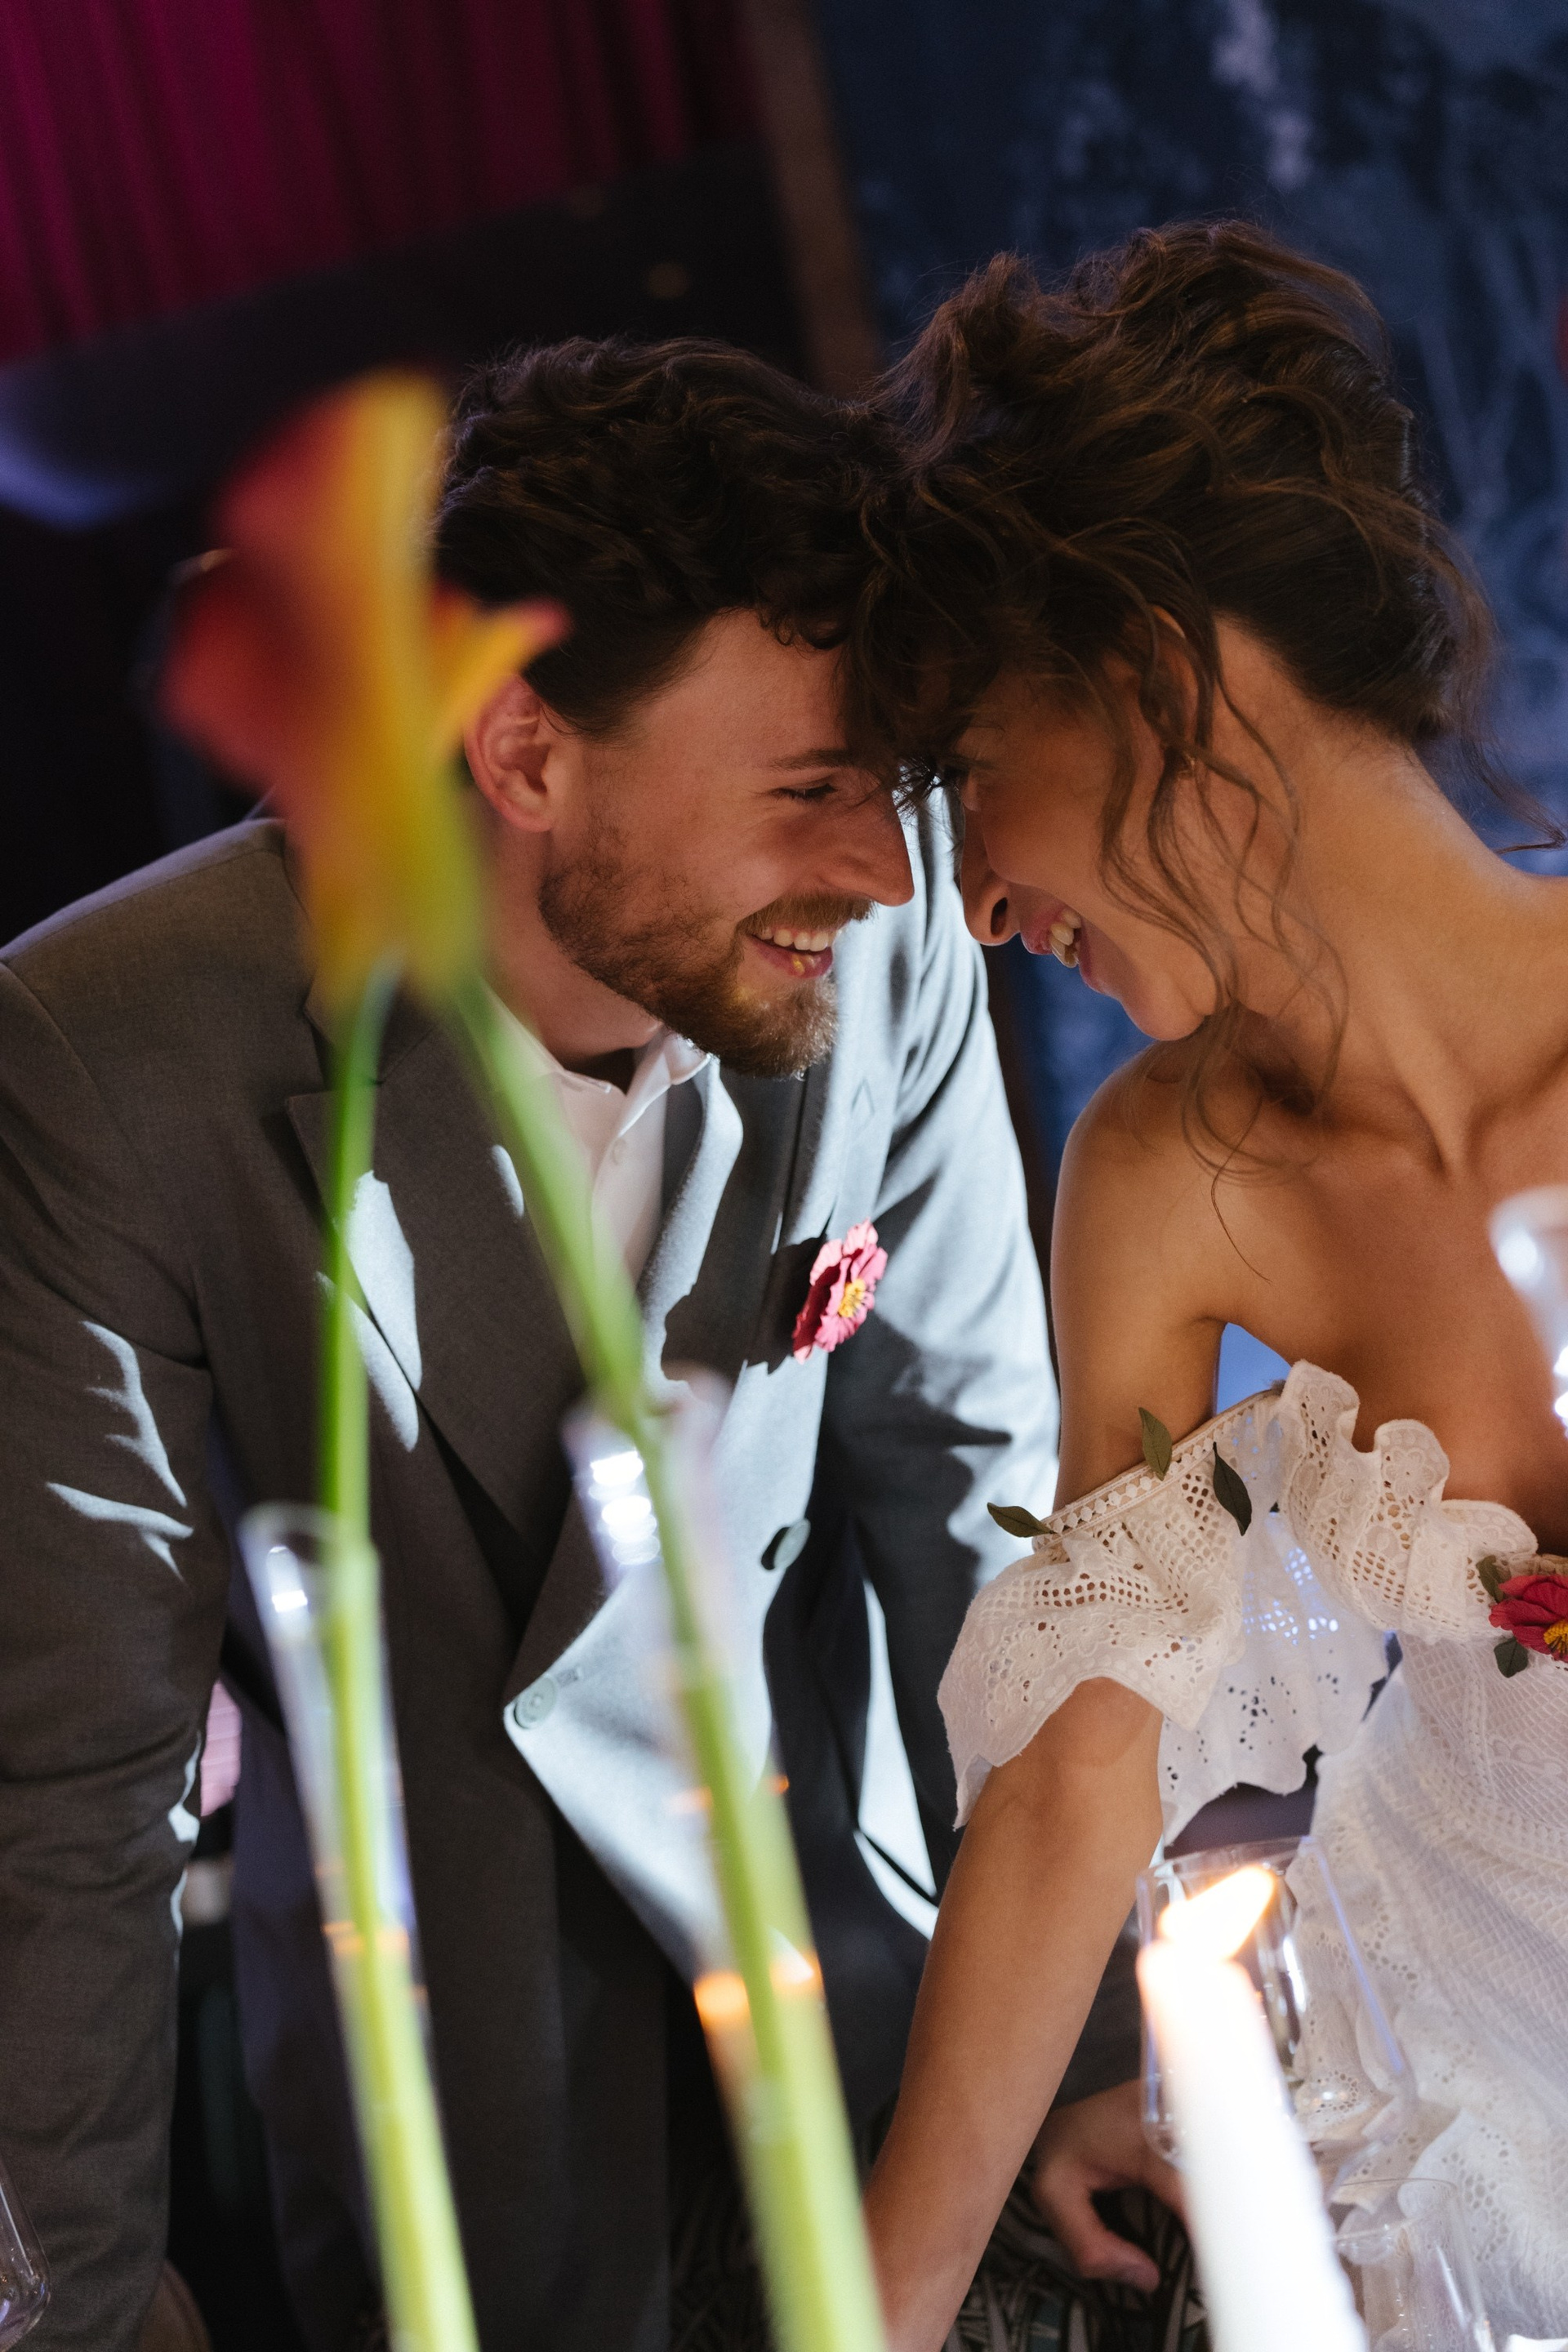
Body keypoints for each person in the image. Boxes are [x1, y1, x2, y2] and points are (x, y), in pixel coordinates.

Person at [0, 335, 1139, 2352]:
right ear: (524, 754)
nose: (887, 873)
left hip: (890, 2043)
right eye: (809, 790)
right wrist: (65, 2308)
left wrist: (1086, 2047)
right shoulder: (109, 1054)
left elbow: (981, 1515)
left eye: (890, 785)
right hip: (468, 2132)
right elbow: (78, 1773)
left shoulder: (884, 934)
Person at [854, 224, 1568, 2348]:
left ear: (1157, 662)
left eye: (969, 779)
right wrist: (874, 2307)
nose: (974, 902)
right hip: (1463, 2099)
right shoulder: (1167, 1179)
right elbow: (1079, 1770)